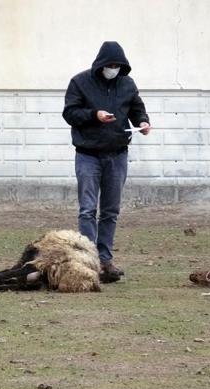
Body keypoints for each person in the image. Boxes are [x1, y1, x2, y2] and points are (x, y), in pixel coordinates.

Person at [62, 41, 151, 283]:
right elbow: (70, 113)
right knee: (88, 209)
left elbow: (137, 108)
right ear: (100, 64)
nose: (113, 69)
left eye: (117, 66)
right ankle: (88, 258)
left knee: (110, 211)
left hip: (117, 155)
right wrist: (94, 115)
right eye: (110, 65)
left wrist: (143, 122)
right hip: (88, 155)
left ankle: (105, 259)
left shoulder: (127, 84)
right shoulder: (80, 82)